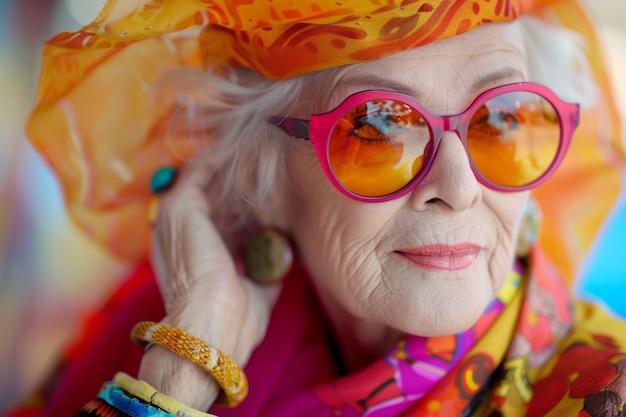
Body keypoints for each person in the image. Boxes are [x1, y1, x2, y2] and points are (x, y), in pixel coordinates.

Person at [7, 0, 626, 416]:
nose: (460, 187)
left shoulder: (601, 391)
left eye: (502, 120)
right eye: (378, 130)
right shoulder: (157, 322)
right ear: (262, 174)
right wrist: (184, 362)